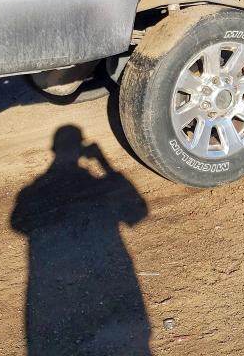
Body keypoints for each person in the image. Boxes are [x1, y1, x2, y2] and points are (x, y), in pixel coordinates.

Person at [10, 125, 150, 355]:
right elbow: (138, 213)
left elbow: (17, 224)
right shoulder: (98, 186)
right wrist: (103, 162)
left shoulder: (32, 192)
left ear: (54, 149)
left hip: (56, 293)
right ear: (81, 148)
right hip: (106, 288)